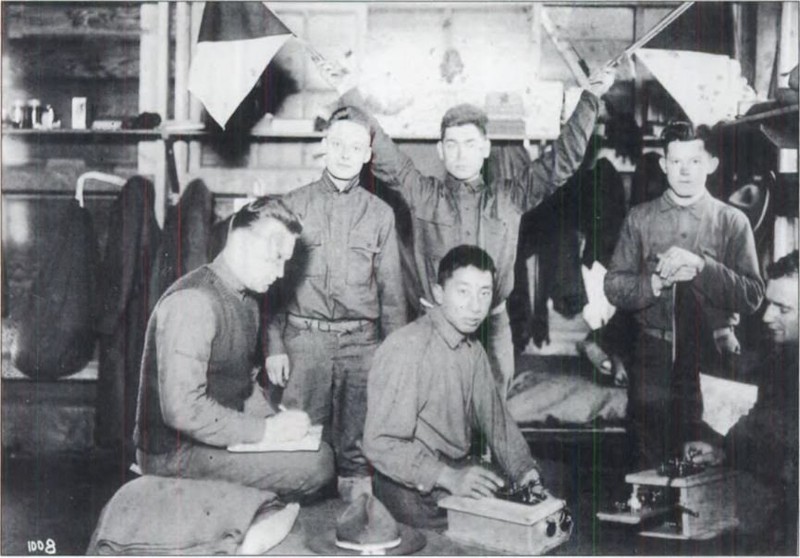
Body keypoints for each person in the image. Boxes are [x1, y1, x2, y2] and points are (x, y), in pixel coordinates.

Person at [320, 64, 617, 397]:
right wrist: (346, 88)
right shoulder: (424, 194)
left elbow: (563, 160)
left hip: (492, 328)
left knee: (490, 422)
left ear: (486, 148)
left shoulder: (510, 197)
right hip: (435, 327)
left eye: (470, 143)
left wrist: (591, 97)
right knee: (433, 419)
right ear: (441, 151)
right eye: (453, 145)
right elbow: (382, 150)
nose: (462, 154)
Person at [133, 197, 334, 500]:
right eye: (275, 258)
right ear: (240, 243)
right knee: (318, 464)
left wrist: (276, 423)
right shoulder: (194, 302)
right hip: (171, 456)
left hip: (207, 440)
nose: (280, 273)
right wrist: (267, 433)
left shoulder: (247, 300)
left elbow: (240, 381)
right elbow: (182, 411)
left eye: (286, 262)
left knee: (318, 448)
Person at [265, 106, 406, 502]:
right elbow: (271, 285)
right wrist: (273, 344)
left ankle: (355, 526)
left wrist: (392, 359)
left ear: (367, 155)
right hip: (303, 341)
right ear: (324, 147)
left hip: (362, 345)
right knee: (296, 438)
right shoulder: (292, 205)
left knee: (358, 449)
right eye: (338, 144)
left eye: (356, 147)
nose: (346, 153)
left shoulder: (381, 215)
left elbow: (392, 295)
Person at [604, 121, 764, 467]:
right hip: (653, 353)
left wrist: (703, 268)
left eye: (694, 161)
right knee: (648, 455)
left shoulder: (732, 221)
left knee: (707, 454)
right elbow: (614, 286)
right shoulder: (640, 219)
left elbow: (753, 295)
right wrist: (654, 284)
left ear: (711, 164)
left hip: (715, 354)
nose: (685, 171)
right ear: (663, 165)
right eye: (676, 162)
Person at [363, 245, 544, 530]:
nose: (475, 306)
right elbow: (380, 444)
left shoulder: (473, 349)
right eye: (463, 291)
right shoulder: (406, 347)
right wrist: (448, 477)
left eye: (484, 293)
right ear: (438, 293)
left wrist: (526, 473)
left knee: (522, 521)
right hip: (408, 484)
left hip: (453, 473)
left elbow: (497, 422)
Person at [683, 250, 798, 553]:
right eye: (769, 304)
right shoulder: (785, 359)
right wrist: (722, 451)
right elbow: (768, 427)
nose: (768, 316)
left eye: (783, 308)